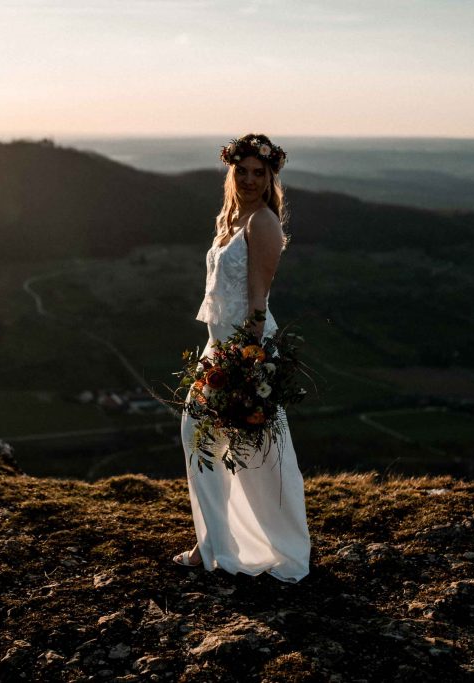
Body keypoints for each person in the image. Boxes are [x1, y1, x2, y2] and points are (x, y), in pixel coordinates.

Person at [172, 133, 311, 583]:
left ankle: (260, 545)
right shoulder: (230, 219)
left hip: (243, 349)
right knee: (202, 439)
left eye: (259, 172)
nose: (250, 179)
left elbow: (257, 302)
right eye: (242, 171)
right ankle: (213, 541)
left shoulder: (263, 223)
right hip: (219, 345)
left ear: (271, 177)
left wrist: (243, 365)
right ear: (231, 171)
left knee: (247, 451)